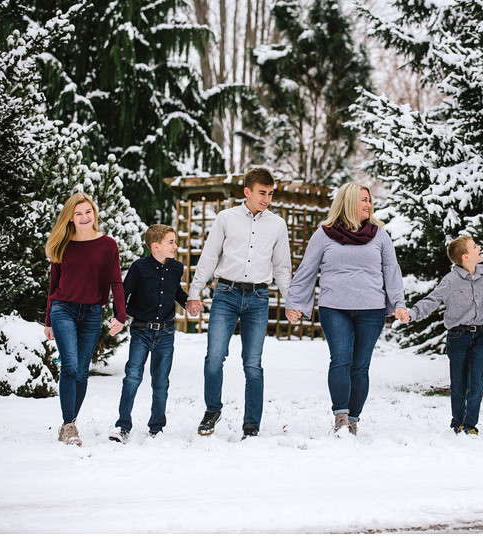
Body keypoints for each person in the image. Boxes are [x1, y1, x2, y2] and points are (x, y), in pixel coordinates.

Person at [285, 182, 408, 436]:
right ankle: (340, 418)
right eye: (362, 199)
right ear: (348, 202)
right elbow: (307, 269)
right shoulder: (324, 233)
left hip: (371, 310)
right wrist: (295, 303)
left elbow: (391, 271)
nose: (368, 204)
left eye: (369, 200)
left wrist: (399, 303)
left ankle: (353, 420)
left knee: (360, 366)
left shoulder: (380, 234)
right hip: (334, 308)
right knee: (340, 360)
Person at [186, 168, 291, 439]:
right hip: (226, 294)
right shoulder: (226, 218)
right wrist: (194, 291)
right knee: (213, 358)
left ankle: (251, 424)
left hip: (258, 298)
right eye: (261, 193)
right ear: (247, 191)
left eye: (270, 193)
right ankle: (212, 410)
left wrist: (290, 301)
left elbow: (281, 267)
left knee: (253, 364)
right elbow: (209, 257)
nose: (266, 199)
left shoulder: (277, 225)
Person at [44, 192, 125, 446]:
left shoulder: (108, 244)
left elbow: (115, 281)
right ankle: (69, 426)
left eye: (88, 212)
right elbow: (53, 285)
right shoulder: (62, 244)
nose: (84, 217)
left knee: (81, 372)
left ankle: (70, 423)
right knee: (69, 366)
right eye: (78, 213)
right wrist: (48, 319)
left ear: (94, 214)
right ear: (70, 217)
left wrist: (120, 315)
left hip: (91, 313)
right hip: (63, 309)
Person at [405, 235, 483, 436]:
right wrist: (412, 314)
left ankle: (470, 425)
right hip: (458, 337)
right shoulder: (450, 281)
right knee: (459, 383)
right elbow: (432, 300)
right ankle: (457, 422)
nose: (479, 247)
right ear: (465, 257)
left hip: (479, 336)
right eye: (475, 246)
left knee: (476, 383)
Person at [108, 225, 188, 444]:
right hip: (141, 330)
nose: (175, 246)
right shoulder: (139, 268)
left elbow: (177, 292)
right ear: (156, 246)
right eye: (171, 242)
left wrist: (188, 303)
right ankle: (123, 426)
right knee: (132, 376)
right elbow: (123, 294)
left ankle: (157, 428)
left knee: (161, 381)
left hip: (166, 332)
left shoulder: (176, 268)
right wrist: (119, 317)